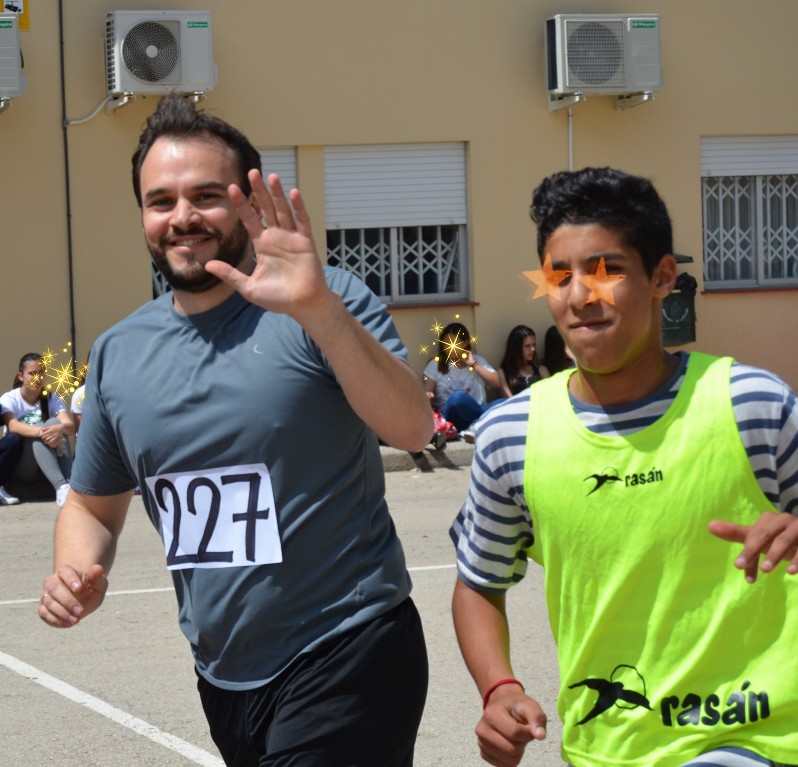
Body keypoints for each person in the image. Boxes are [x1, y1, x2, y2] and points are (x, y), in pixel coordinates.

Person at [38, 94, 433, 767]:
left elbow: (413, 427)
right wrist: (75, 570)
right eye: (160, 201)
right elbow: (92, 504)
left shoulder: (326, 299)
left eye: (206, 196)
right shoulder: (118, 353)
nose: (182, 217)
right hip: (224, 674)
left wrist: (319, 311)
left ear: (247, 202)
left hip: (349, 645)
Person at [450, 167, 798, 767]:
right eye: (560, 275)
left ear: (661, 277)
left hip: (758, 741)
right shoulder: (512, 433)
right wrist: (499, 688)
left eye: (606, 269)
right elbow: (479, 582)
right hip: (604, 749)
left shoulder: (752, 405)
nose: (580, 296)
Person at [1, 353, 74, 507]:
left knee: (55, 423)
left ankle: (68, 484)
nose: (37, 378)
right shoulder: (10, 398)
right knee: (41, 429)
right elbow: (13, 425)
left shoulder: (52, 398)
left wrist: (59, 429)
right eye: (32, 373)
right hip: (24, 469)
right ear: (21, 376)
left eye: (41, 373)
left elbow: (70, 427)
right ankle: (61, 485)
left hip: (48, 462)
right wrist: (43, 431)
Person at [423, 321, 502, 438]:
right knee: (458, 397)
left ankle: (474, 425)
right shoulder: (435, 364)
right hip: (451, 416)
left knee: (502, 403)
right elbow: (426, 394)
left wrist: (473, 364)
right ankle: (479, 424)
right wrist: (428, 395)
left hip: (477, 408)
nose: (449, 348)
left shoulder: (477, 360)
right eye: (446, 344)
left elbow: (496, 383)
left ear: (464, 343)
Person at [498, 324, 549, 397]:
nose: (533, 349)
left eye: (534, 345)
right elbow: (509, 399)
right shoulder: (504, 372)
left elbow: (551, 395)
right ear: (516, 348)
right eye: (527, 346)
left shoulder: (541, 369)